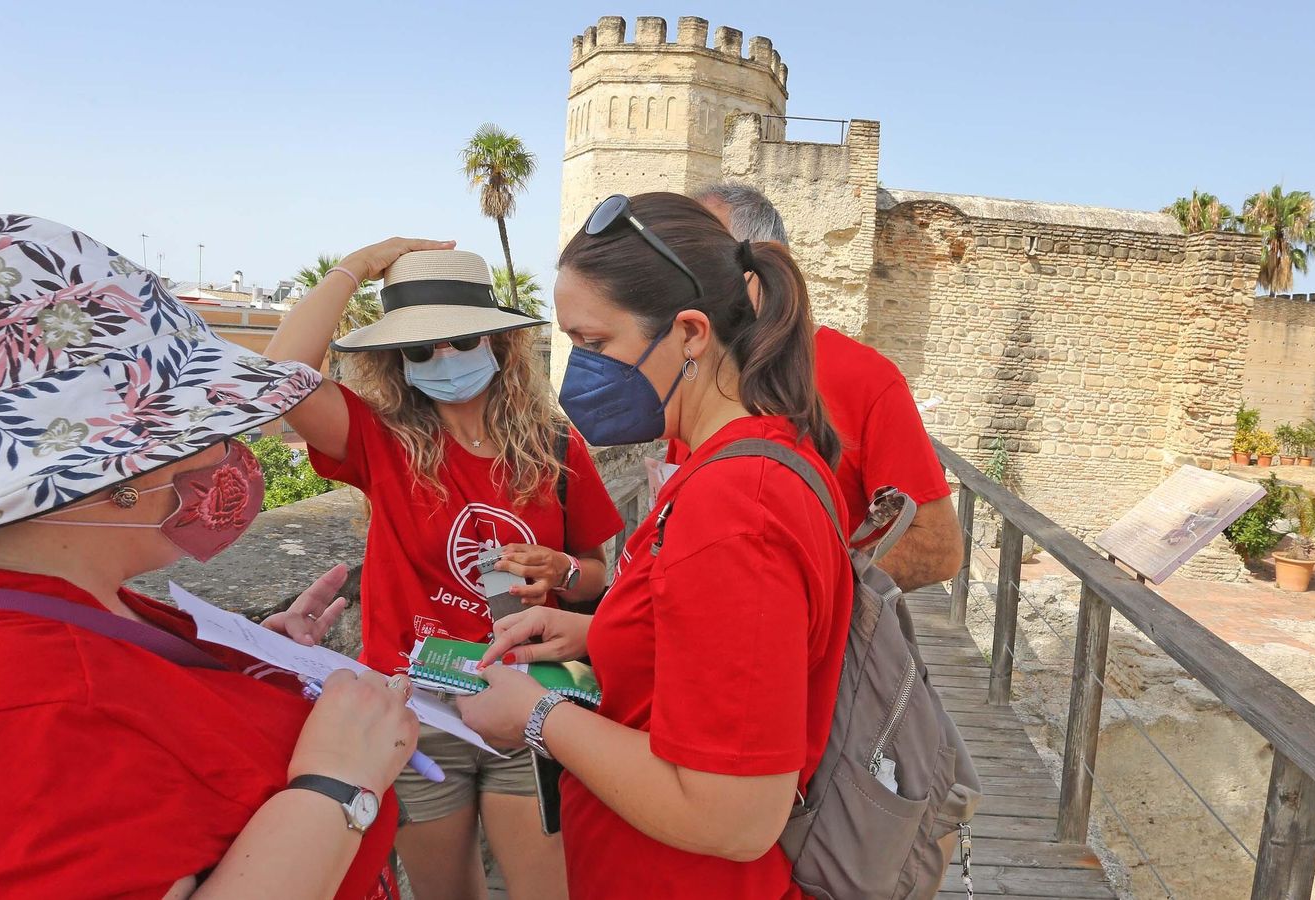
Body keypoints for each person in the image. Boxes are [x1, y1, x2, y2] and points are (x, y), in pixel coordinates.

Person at [0, 214, 418, 899]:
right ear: (116, 473)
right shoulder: (21, 706)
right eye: (211, 424)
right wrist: (339, 784)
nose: (232, 453)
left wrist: (247, 664)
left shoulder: (54, 600)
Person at [457, 192, 853, 900]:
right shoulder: (737, 460)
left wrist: (536, 715)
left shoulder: (738, 506)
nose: (580, 372)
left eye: (595, 343)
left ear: (692, 333)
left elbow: (734, 816)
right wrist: (595, 630)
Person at [264, 244, 624, 900]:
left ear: (496, 342)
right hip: (417, 703)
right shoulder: (380, 440)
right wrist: (359, 265)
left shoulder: (555, 446)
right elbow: (279, 379)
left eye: (459, 341)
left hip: (530, 690)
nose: (443, 361)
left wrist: (565, 571)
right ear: (397, 361)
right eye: (420, 349)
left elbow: (600, 575)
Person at [671, 182, 963, 592]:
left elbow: (938, 548)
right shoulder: (690, 373)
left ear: (770, 264)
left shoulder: (866, 378)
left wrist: (800, 592)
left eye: (703, 263)